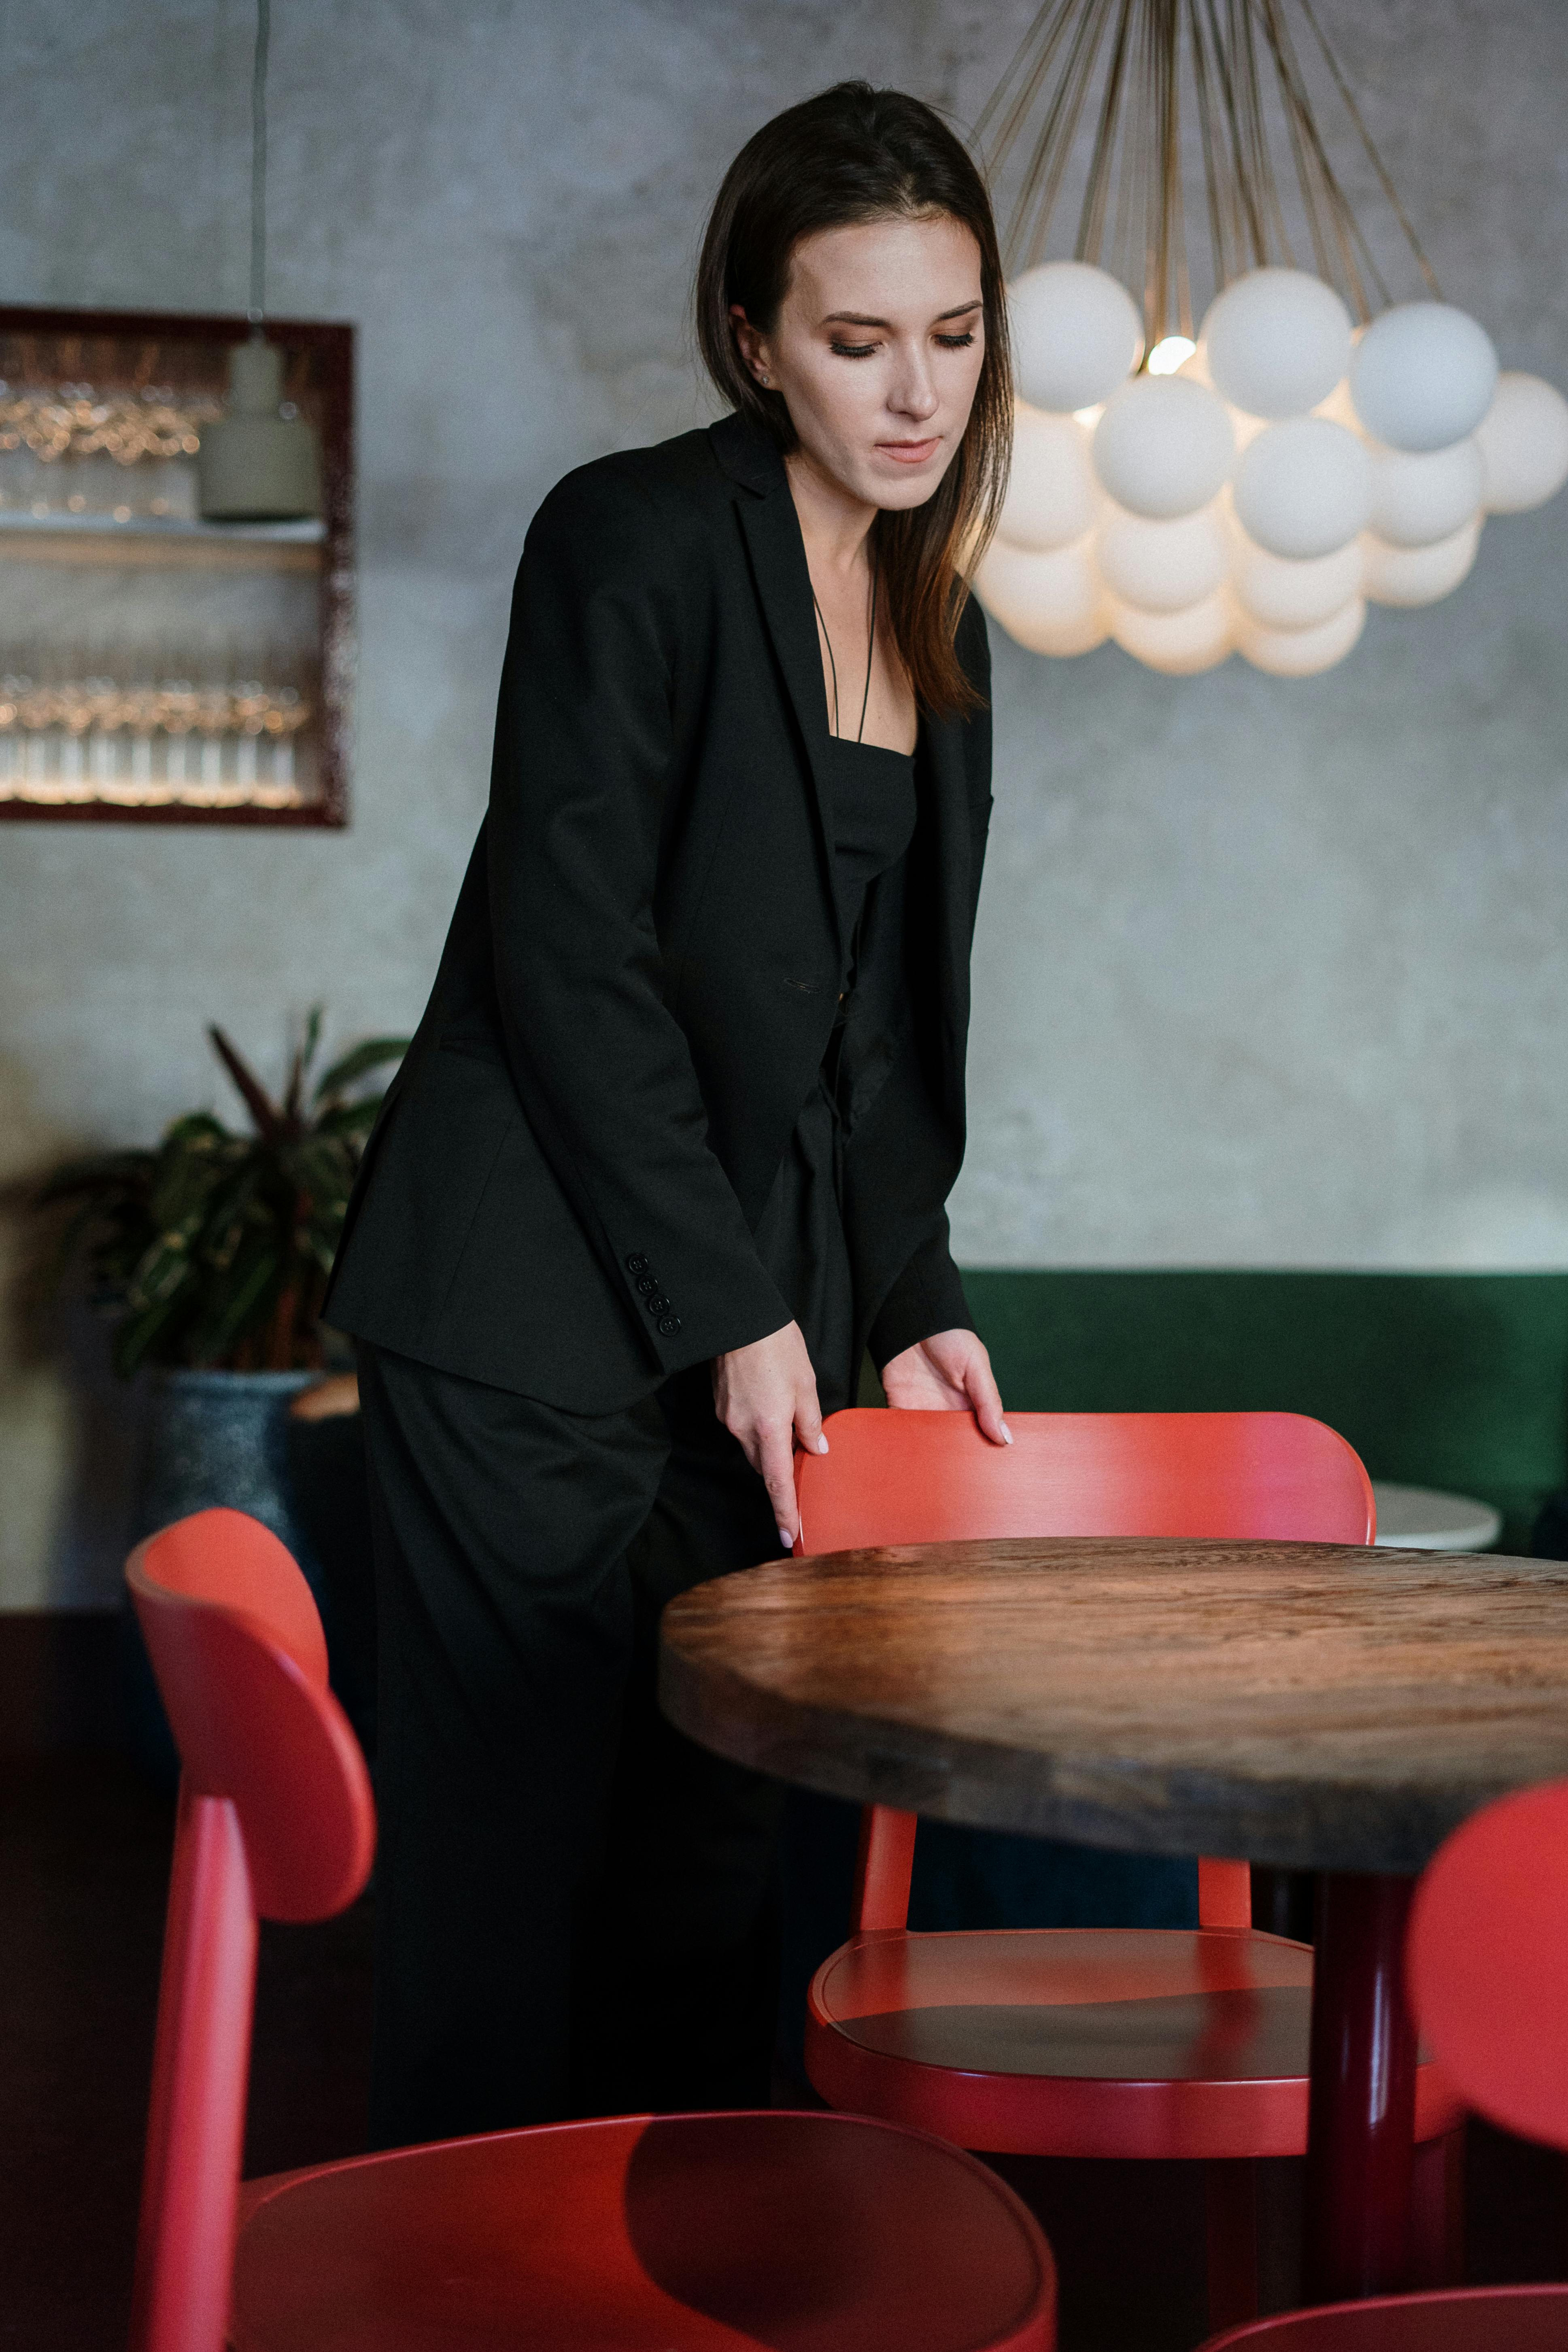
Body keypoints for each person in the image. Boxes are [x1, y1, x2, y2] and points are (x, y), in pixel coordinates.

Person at [324, 78, 1014, 2149]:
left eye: (957, 336)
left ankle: (678, 2276)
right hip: (528, 1303)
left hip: (766, 1317)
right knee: (507, 1886)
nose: (917, 396)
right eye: (857, 338)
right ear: (753, 339)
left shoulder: (938, 612)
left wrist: (910, 1281)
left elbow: (868, 1031)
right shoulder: (626, 535)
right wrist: (733, 1302)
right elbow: (573, 951)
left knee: (714, 1867)